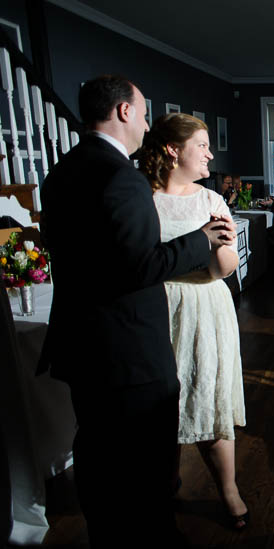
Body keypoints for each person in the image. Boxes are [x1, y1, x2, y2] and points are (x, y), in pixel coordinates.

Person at [39, 75, 235, 547]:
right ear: (124, 112)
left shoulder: (62, 172)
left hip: (82, 341)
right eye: (144, 113)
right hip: (128, 348)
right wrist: (199, 241)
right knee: (144, 463)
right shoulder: (120, 178)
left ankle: (106, 533)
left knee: (97, 453)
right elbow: (137, 266)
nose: (147, 124)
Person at [137, 113, 248, 530]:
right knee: (161, 400)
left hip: (204, 304)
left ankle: (229, 489)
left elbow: (225, 270)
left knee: (208, 391)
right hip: (154, 305)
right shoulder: (141, 198)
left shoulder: (210, 200)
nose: (210, 153)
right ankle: (164, 481)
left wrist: (220, 243)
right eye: (201, 145)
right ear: (173, 150)